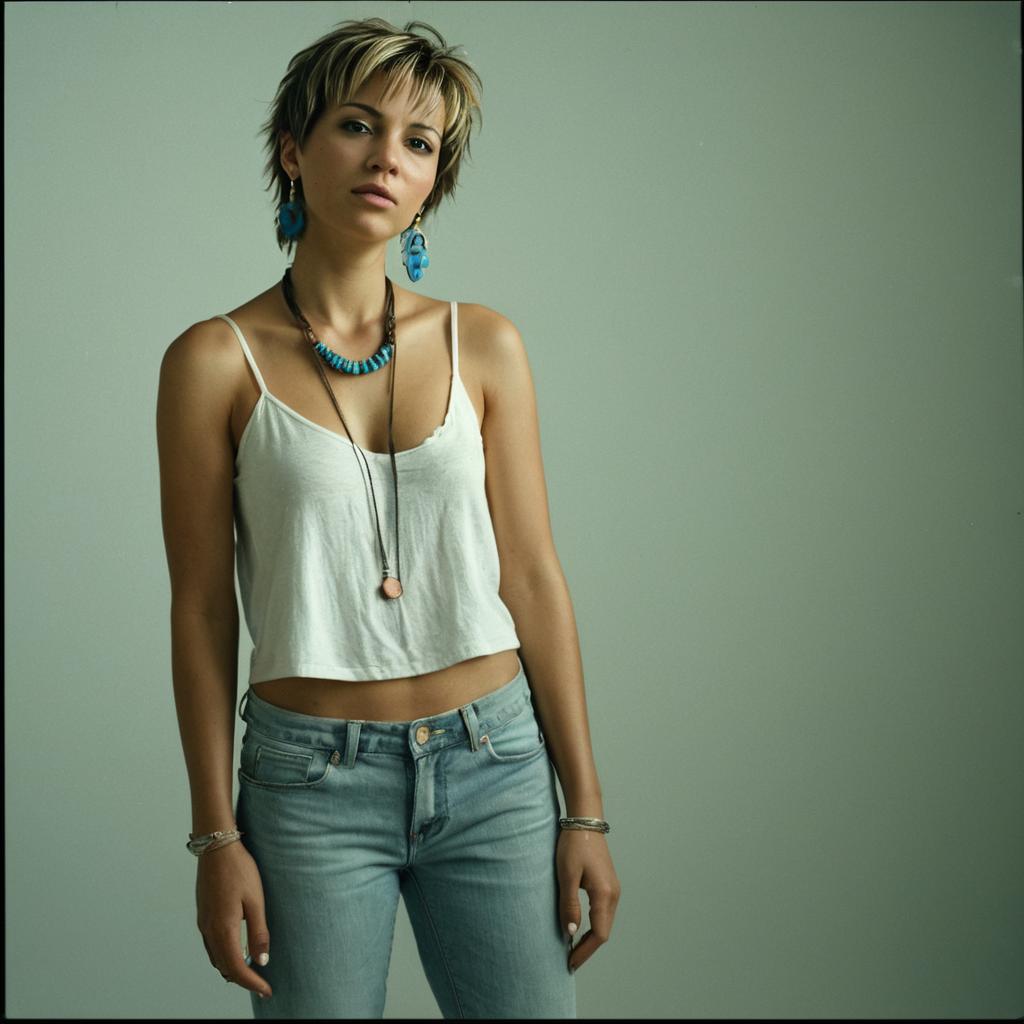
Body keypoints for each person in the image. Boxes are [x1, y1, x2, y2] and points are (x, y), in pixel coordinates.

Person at [156, 16, 620, 1019]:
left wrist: (583, 807)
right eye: (358, 125)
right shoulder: (210, 361)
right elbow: (199, 610)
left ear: (433, 181)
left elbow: (533, 576)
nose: (386, 158)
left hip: (496, 764)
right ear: (294, 147)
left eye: (419, 142)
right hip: (309, 784)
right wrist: (214, 835)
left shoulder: (484, 343)